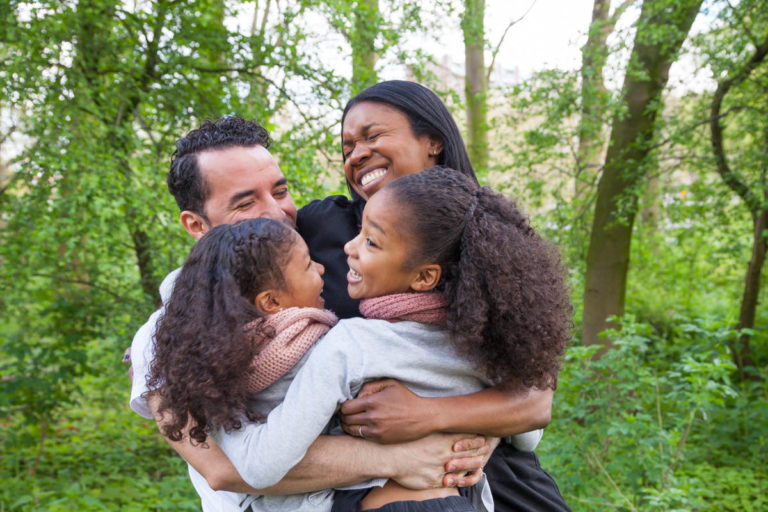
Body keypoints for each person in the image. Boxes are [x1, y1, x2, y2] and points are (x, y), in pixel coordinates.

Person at [128, 117, 490, 511]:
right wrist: (404, 458)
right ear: (196, 224)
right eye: (246, 202)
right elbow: (224, 468)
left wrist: (455, 429)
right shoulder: (164, 337)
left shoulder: (327, 273)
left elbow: (501, 387)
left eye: (280, 191)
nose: (278, 212)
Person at [213, 168, 570, 512]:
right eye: (359, 232)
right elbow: (527, 436)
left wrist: (209, 411)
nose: (349, 248)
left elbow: (261, 467)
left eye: (371, 241)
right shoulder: (477, 344)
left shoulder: (350, 346)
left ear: (424, 277)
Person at [298, 80, 572, 511]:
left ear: (433, 142)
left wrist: (429, 415)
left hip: (489, 471)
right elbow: (235, 260)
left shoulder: (486, 235)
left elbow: (534, 400)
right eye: (348, 146)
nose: (356, 153)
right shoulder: (319, 229)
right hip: (376, 485)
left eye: (373, 136)